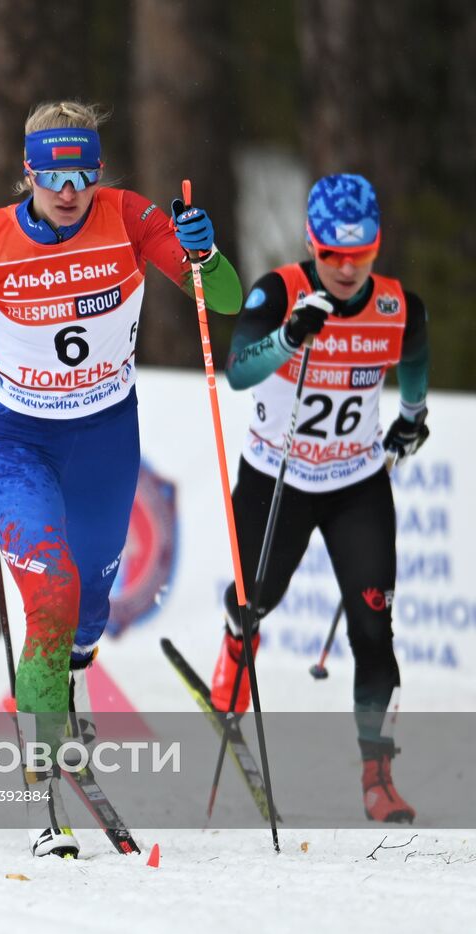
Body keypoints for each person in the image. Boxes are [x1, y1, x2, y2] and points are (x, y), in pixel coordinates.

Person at [0, 101, 243, 857]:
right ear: (27, 173)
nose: (68, 191)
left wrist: (208, 254)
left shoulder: (129, 219)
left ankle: (64, 687)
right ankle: (42, 784)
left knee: (90, 611)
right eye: (52, 175)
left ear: (97, 172)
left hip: (103, 440)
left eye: (82, 174)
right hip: (16, 443)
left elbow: (222, 301)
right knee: (51, 597)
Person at [211, 173, 428, 823]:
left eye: (360, 255)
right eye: (332, 253)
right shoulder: (279, 292)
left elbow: (413, 348)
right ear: (312, 244)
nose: (346, 268)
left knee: (372, 623)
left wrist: (412, 413)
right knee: (256, 601)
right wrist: (289, 337)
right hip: (275, 478)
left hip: (355, 482)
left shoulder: (395, 304)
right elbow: (238, 368)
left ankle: (377, 773)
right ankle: (233, 643)